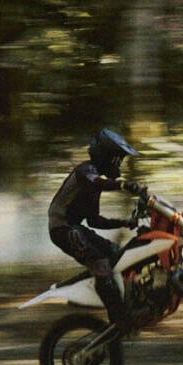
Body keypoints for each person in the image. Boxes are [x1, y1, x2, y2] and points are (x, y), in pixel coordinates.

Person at [47, 129, 145, 330]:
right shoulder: (86, 171)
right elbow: (97, 182)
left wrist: (125, 222)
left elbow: (94, 221)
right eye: (118, 159)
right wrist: (124, 185)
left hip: (75, 228)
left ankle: (129, 302)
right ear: (106, 156)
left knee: (116, 253)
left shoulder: (94, 183)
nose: (119, 164)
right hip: (62, 228)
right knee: (100, 263)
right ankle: (118, 319)